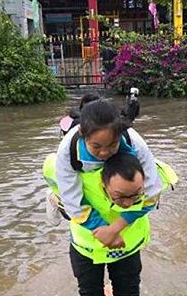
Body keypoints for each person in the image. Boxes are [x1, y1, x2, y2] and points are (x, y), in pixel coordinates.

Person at [42, 152, 178, 296]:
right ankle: (56, 199)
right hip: (86, 249)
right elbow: (55, 160)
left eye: (135, 195)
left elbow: (145, 201)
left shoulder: (153, 177)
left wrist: (114, 229)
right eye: (120, 196)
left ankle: (106, 295)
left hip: (126, 248)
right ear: (103, 185)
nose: (128, 202)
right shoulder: (69, 173)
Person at [52, 100, 162, 246]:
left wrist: (115, 228)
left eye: (112, 144)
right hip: (83, 193)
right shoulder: (68, 151)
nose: (104, 153)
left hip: (115, 192)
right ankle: (53, 198)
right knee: (67, 206)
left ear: (120, 134)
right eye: (96, 146)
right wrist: (103, 231)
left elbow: (152, 193)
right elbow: (73, 204)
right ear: (82, 134)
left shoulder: (134, 142)